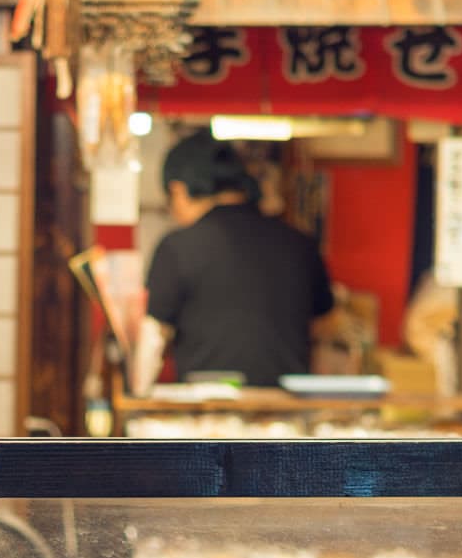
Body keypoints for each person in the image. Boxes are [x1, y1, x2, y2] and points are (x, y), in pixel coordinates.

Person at [133, 131, 335, 391]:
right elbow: (327, 325)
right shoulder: (299, 243)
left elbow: (154, 334)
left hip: (206, 414)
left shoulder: (176, 247)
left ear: (179, 190)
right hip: (287, 411)